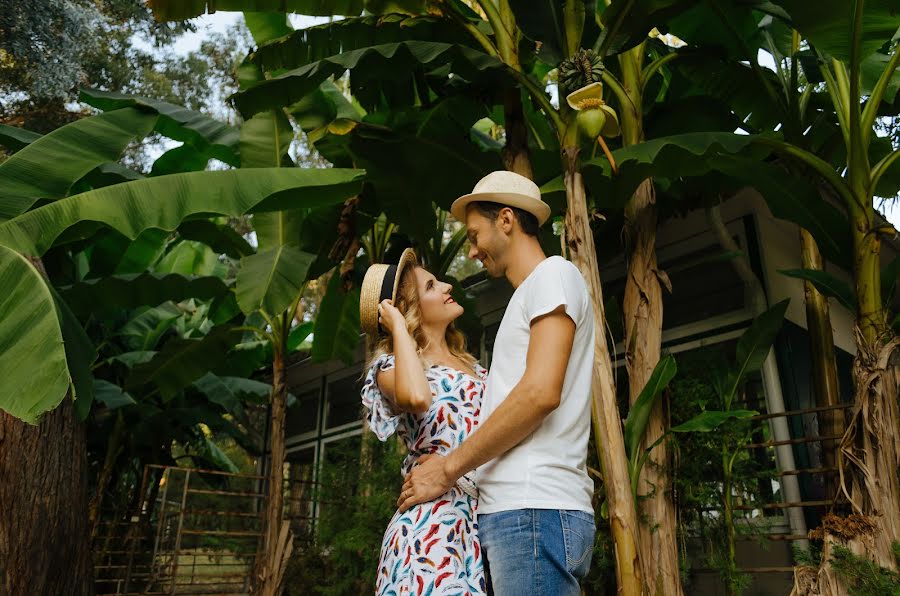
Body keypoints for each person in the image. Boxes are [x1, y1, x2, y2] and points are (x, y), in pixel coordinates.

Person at [396, 171, 597, 595]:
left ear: (506, 220)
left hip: (534, 510)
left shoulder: (553, 276)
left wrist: (448, 468)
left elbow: (540, 392)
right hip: (524, 515)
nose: (471, 251)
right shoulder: (528, 295)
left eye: (474, 235)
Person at [359, 248, 488, 595]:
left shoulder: (477, 369)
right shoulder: (389, 370)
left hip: (481, 528)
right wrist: (399, 327)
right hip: (430, 534)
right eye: (432, 286)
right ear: (409, 311)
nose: (447, 286)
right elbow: (417, 397)